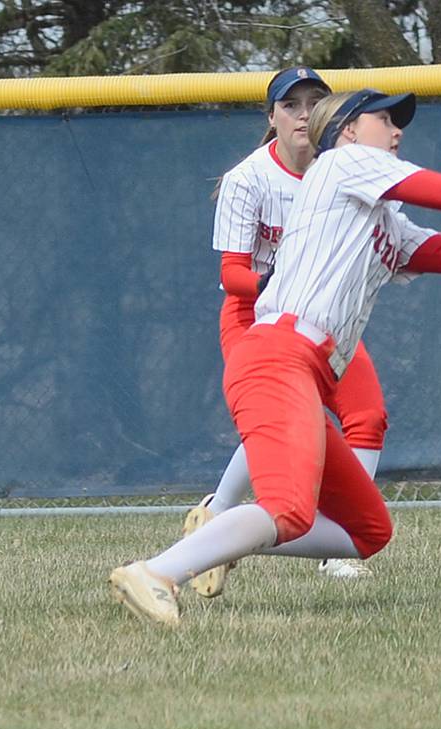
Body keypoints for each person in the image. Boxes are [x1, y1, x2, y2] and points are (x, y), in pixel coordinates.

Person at [110, 88, 441, 626]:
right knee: (290, 508)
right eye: (384, 119)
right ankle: (158, 571)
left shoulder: (384, 219)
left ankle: (218, 539)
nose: (396, 132)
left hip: (307, 369)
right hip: (278, 355)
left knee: (367, 530)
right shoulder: (344, 163)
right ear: (346, 131)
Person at [186, 67, 387, 596]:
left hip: (317, 316)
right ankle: (220, 514)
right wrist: (280, 279)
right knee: (283, 416)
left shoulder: (340, 170)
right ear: (271, 116)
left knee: (367, 415)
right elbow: (232, 275)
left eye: (312, 103)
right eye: (290, 104)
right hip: (254, 315)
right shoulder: (248, 178)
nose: (302, 114)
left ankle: (336, 543)